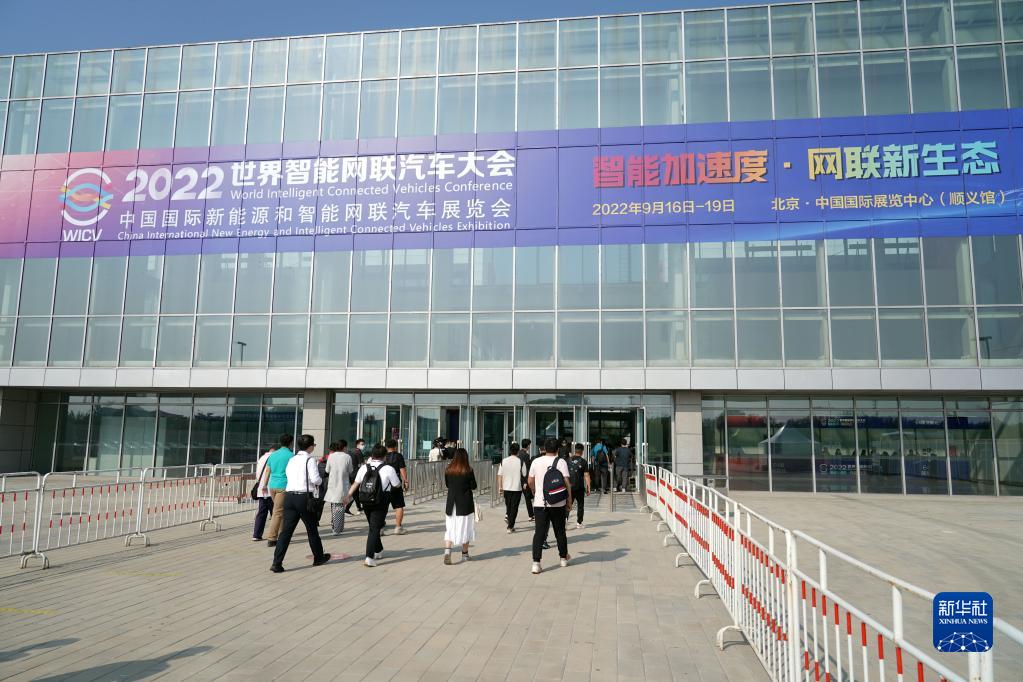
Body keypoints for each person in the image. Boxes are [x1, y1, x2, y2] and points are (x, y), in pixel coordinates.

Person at [270, 434, 330, 573]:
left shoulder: (292, 459)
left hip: (289, 496)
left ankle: (277, 563)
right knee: (312, 529)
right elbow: (316, 479)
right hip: (304, 498)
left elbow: (288, 475)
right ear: (310, 446)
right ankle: (318, 557)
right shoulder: (310, 460)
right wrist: (321, 481)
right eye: (314, 445)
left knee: (286, 532)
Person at [344, 444, 401, 567]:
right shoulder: (388, 468)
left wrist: (348, 496)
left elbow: (356, 483)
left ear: (372, 455)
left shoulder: (364, 467)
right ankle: (369, 557)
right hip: (381, 501)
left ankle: (378, 549)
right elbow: (396, 484)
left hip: (365, 500)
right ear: (384, 456)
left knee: (373, 526)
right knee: (374, 528)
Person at [527, 437, 572, 574]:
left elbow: (530, 481)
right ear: (557, 449)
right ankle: (563, 558)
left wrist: (535, 490)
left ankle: (536, 563)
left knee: (539, 533)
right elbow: (566, 483)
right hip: (558, 502)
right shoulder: (561, 462)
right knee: (560, 531)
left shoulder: (536, 461)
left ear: (544, 448)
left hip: (540, 503)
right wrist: (569, 500)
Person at [443, 448, 478, 564]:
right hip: (465, 503)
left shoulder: (448, 469)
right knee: (466, 528)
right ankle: (465, 554)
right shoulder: (468, 470)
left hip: (451, 504)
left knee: (450, 528)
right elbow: (474, 486)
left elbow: (447, 484)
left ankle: (447, 552)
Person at [262, 434, 295, 547]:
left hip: (272, 486)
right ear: (291, 443)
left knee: (280, 511)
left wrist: (264, 484)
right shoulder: (291, 456)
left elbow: (268, 471)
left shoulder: (273, 455)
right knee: (277, 512)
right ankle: (272, 538)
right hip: (284, 486)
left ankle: (282, 535)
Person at [324, 440, 353, 536]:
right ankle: (337, 529)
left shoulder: (331, 456)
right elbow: (350, 470)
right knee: (340, 507)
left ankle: (337, 527)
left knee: (335, 506)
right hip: (343, 485)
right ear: (344, 447)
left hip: (333, 484)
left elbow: (327, 470)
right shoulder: (347, 457)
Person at [497, 442, 527, 533]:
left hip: (506, 487)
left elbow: (499, 475)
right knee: (514, 507)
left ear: (510, 451)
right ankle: (510, 526)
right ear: (518, 451)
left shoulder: (504, 461)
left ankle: (509, 521)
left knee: (508, 506)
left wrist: (500, 487)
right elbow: (524, 474)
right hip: (517, 488)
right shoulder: (521, 462)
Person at [251, 443, 276, 541]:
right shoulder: (274, 458)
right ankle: (274, 534)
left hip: (261, 490)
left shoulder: (261, 458)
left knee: (261, 513)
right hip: (271, 489)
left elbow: (258, 474)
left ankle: (256, 534)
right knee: (275, 513)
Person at [384, 439, 409, 534]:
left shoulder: (383, 456)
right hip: (396, 484)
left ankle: (380, 528)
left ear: (386, 446)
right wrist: (406, 481)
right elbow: (402, 469)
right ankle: (398, 527)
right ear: (395, 446)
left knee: (383, 506)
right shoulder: (398, 456)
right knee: (399, 506)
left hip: (384, 484)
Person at [568, 443, 591, 529]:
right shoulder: (583, 461)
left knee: (568, 504)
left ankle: (565, 521)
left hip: (569, 487)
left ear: (575, 450)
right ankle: (579, 523)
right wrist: (588, 487)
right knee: (580, 505)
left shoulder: (568, 460)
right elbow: (586, 475)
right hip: (579, 487)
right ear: (582, 451)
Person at [344, 439, 365, 515]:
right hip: (356, 474)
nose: (363, 446)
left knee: (355, 492)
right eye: (362, 444)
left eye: (363, 444)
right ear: (357, 444)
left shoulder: (352, 452)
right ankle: (347, 509)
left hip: (351, 474)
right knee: (354, 492)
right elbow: (362, 464)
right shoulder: (358, 452)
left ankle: (359, 508)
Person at [520, 438, 535, 521]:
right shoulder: (525, 455)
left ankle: (508, 514)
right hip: (524, 479)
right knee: (528, 497)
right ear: (528, 445)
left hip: (518, 478)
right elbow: (527, 469)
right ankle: (531, 515)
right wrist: (526, 481)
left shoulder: (518, 453)